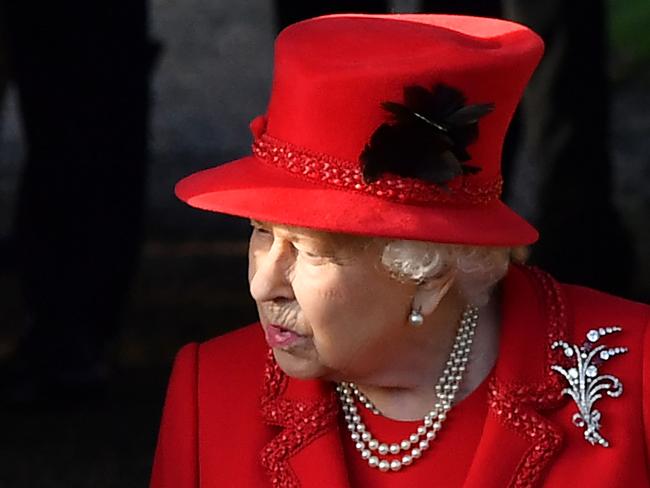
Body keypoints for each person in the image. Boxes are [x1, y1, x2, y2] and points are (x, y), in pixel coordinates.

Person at [150, 14, 650, 487]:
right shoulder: (209, 391)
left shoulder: (638, 373)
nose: (263, 284)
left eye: (310, 251)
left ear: (429, 276)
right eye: (262, 232)